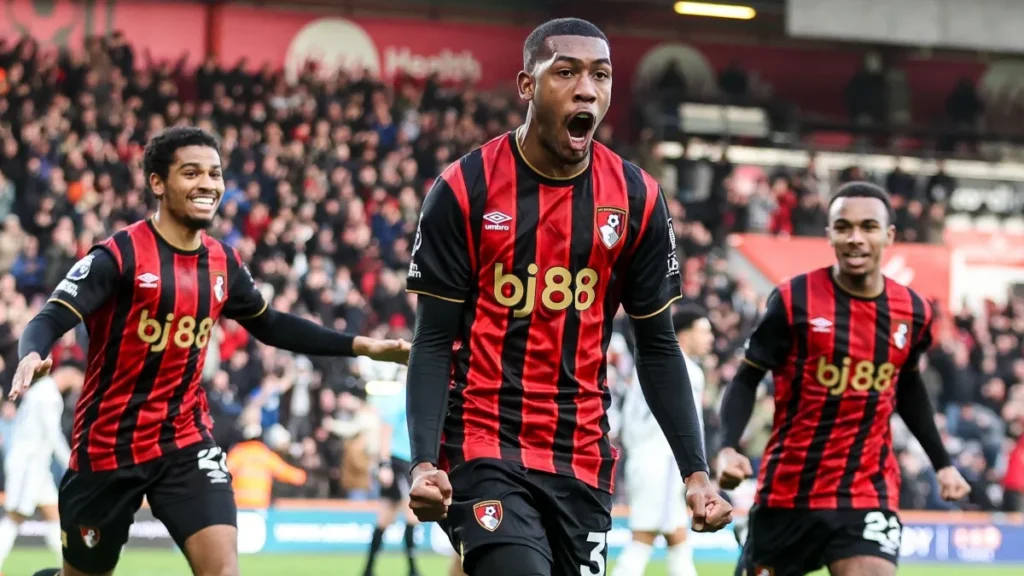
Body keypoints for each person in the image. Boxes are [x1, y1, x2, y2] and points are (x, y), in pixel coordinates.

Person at [402, 17, 732, 576]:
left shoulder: (637, 198)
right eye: (566, 72)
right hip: (483, 439)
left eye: (600, 75)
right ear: (527, 85)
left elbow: (657, 346)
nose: (586, 89)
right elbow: (432, 340)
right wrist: (423, 463)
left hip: (581, 454)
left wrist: (695, 474)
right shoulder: (465, 188)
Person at [12, 126, 410, 576]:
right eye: (191, 173)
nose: (207, 184)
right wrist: (32, 353)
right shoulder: (119, 256)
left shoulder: (224, 262)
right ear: (157, 182)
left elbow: (272, 325)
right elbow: (50, 317)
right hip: (108, 447)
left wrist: (363, 346)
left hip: (185, 441)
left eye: (214, 173)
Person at [716, 181, 972, 576]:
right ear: (829, 234)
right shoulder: (793, 300)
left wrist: (943, 464)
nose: (855, 238)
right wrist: (728, 446)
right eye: (843, 227)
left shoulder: (914, 311)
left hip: (866, 489)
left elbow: (908, 386)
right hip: (789, 491)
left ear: (889, 235)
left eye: (868, 227)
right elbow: (747, 377)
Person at [613, 306, 714, 576]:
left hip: (644, 457)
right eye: (704, 332)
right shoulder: (685, 370)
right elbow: (691, 427)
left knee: (677, 536)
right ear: (685, 335)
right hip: (664, 461)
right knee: (643, 537)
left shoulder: (649, 364)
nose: (710, 338)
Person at [0, 365, 83, 572]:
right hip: (28, 465)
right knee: (15, 517)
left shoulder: (41, 391)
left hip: (37, 466)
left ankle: (71, 566)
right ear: (71, 376)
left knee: (54, 515)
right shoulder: (48, 396)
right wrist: (71, 462)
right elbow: (53, 434)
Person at [362, 360, 421, 576]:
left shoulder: (417, 399)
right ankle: (412, 569)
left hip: (410, 462)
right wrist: (384, 464)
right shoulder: (399, 399)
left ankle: (369, 569)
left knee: (385, 517)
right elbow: (385, 431)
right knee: (411, 513)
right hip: (398, 462)